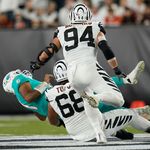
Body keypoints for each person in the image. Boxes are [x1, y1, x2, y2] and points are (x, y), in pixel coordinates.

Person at [46, 59, 150, 143]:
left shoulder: (51, 93)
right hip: (94, 128)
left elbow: (52, 120)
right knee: (131, 114)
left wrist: (61, 122)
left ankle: (116, 132)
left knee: (99, 113)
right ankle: (128, 86)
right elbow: (104, 82)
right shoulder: (81, 83)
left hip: (76, 135)